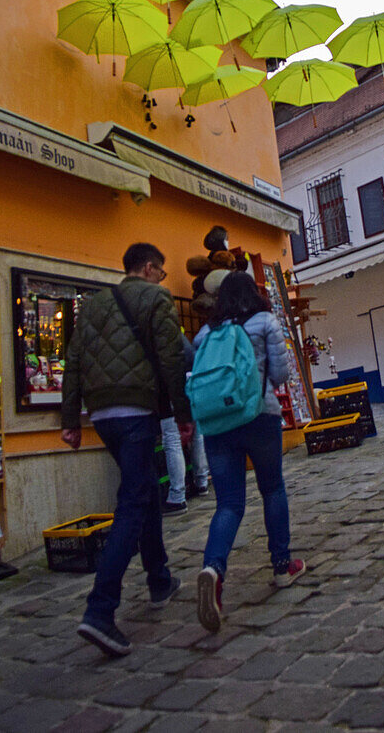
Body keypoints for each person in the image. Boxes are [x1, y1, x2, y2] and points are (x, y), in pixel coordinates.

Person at [61, 243, 193, 658]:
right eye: (162, 272)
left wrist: (69, 420)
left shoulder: (95, 304)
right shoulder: (155, 297)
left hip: (102, 415)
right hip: (137, 409)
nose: (162, 279)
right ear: (150, 268)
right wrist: (183, 413)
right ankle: (100, 609)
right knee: (133, 502)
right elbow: (172, 358)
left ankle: (159, 579)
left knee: (146, 488)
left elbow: (73, 360)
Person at [192, 271, 305, 633]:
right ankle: (282, 566)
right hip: (259, 416)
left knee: (228, 503)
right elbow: (282, 376)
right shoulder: (265, 322)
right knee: (272, 489)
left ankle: (213, 568)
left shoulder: (206, 334)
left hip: (218, 424)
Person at [160, 331, 194, 517]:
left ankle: (177, 495)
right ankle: (201, 480)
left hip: (169, 393)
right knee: (196, 436)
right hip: (185, 388)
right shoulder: (178, 336)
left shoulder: (160, 336)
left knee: (172, 440)